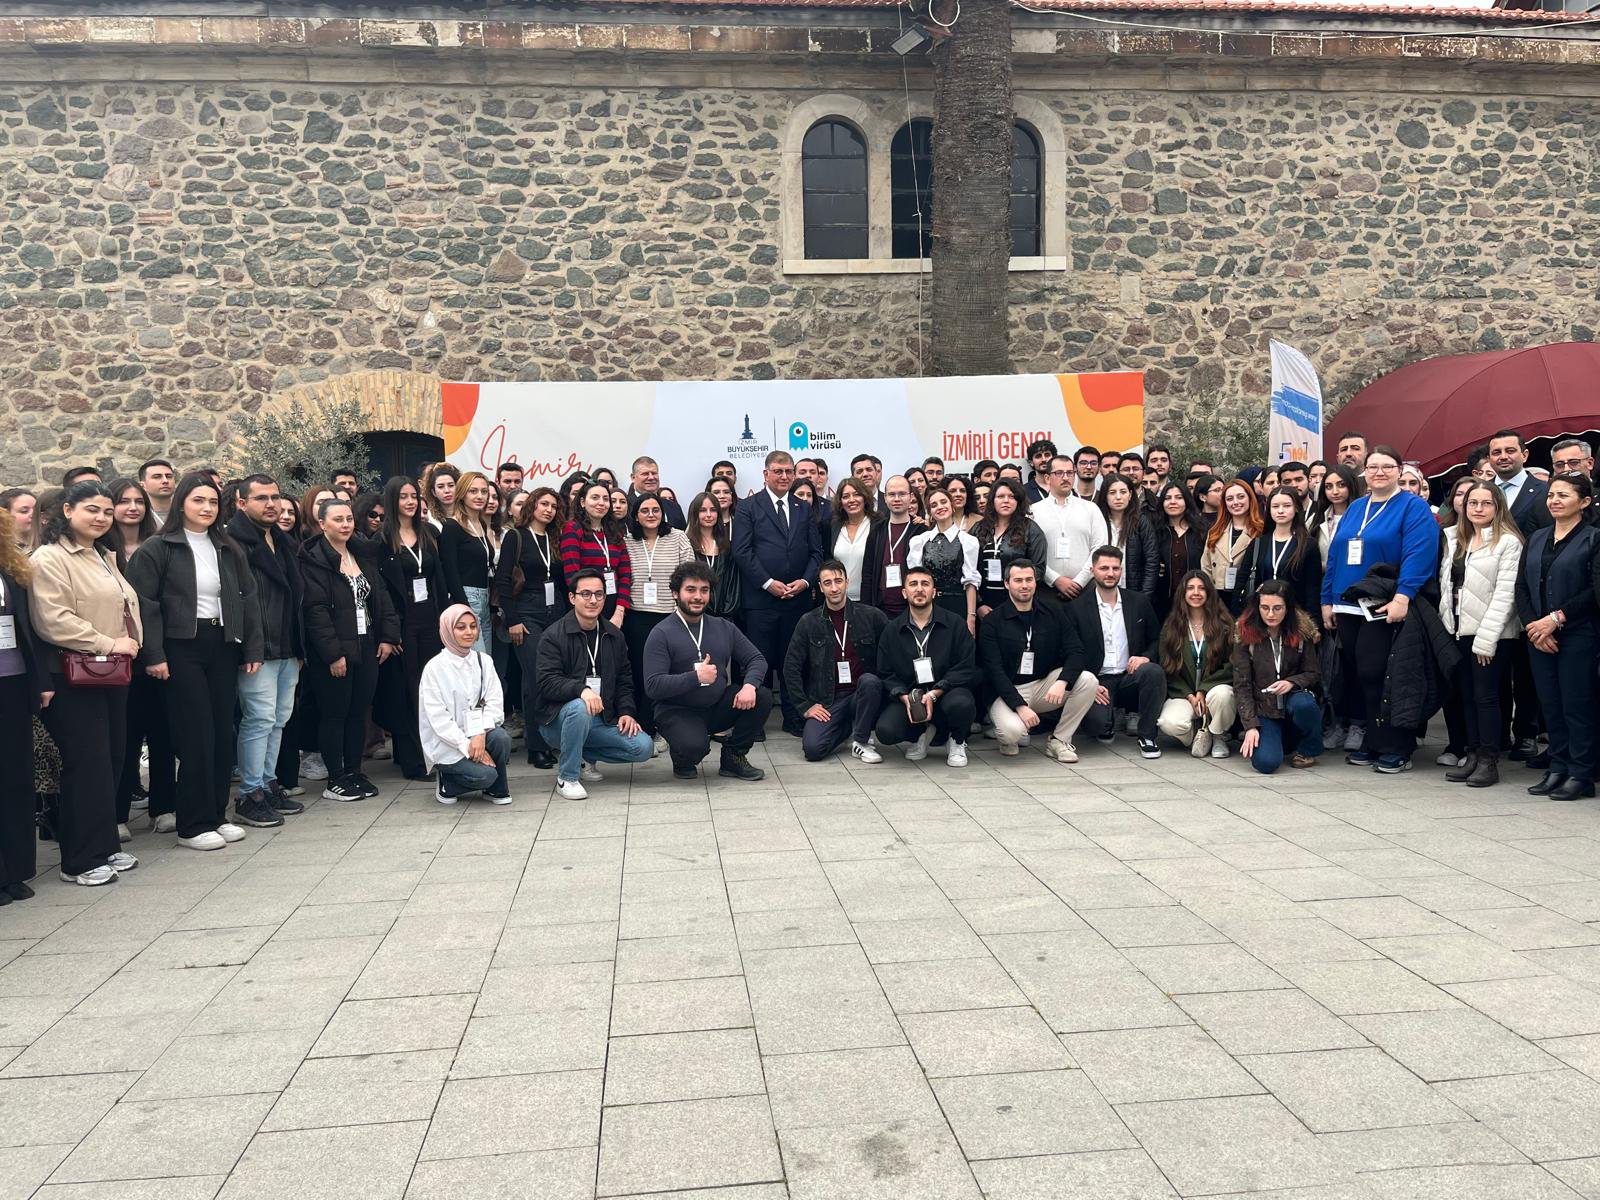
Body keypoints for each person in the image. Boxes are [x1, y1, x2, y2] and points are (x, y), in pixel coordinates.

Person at [126, 472, 266, 846]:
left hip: (222, 644)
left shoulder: (227, 546)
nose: (207, 508)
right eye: (198, 500)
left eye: (213, 501)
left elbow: (248, 598)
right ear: (182, 503)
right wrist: (154, 654)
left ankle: (217, 814)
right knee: (196, 734)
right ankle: (192, 824)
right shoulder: (158, 548)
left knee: (221, 732)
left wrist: (252, 648)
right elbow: (144, 606)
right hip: (179, 647)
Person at [29, 481, 143, 886]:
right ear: (67, 511)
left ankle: (104, 844)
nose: (101, 517)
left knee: (112, 759)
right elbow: (53, 619)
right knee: (85, 764)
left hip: (111, 671)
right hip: (73, 674)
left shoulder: (102, 554)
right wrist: (110, 643)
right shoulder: (49, 558)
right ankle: (79, 859)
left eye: (106, 511)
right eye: (91, 509)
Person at [1321, 445, 1440, 773]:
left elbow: (1419, 554)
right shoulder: (1356, 507)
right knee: (1361, 675)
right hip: (1348, 604)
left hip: (1384, 602)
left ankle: (1397, 745)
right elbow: (1336, 555)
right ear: (1365, 472)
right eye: (1373, 467)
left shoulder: (1413, 507)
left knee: (1380, 673)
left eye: (1387, 466)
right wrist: (1327, 600)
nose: (1379, 472)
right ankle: (1373, 741)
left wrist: (1403, 596)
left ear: (1399, 471)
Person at [300, 496, 401, 802]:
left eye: (348, 519)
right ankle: (336, 778)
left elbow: (381, 597)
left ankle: (354, 771)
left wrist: (388, 636)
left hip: (366, 644)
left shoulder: (361, 553)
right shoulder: (313, 559)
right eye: (337, 520)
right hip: (335, 651)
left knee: (358, 712)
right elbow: (316, 612)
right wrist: (333, 654)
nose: (345, 525)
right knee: (335, 714)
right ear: (322, 523)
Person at [644, 561, 772, 780]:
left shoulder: (723, 626)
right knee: (694, 748)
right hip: (677, 710)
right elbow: (653, 686)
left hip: (716, 705)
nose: (698, 596)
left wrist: (750, 685)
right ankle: (682, 756)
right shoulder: (661, 633)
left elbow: (756, 659)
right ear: (675, 593)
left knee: (762, 696)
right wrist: (695, 677)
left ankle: (734, 756)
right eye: (690, 590)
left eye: (704, 590)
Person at [227, 474, 308, 819]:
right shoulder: (233, 543)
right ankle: (250, 794)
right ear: (241, 503)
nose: (272, 504)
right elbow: (239, 602)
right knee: (259, 719)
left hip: (288, 646)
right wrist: (250, 649)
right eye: (262, 498)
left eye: (275, 497)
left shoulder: (283, 540)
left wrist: (300, 648)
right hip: (258, 650)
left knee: (278, 720)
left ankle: (267, 783)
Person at [534, 568, 654, 799]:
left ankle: (584, 755)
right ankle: (567, 777)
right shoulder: (553, 636)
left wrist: (626, 712)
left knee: (643, 747)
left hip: (601, 719)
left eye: (599, 594)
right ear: (572, 598)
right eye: (586, 594)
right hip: (558, 720)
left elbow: (624, 680)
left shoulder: (614, 635)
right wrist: (581, 690)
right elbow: (547, 682)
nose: (593, 600)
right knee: (580, 707)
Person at [1517, 475, 1598, 801]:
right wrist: (1533, 626)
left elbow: (1594, 591)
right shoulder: (1537, 537)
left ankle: (1581, 773)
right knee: (1551, 705)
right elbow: (1521, 587)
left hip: (1578, 634)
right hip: (1539, 636)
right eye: (1551, 495)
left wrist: (1556, 618)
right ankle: (1558, 767)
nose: (1554, 501)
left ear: (1584, 502)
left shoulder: (1593, 539)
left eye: (1563, 495)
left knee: (1576, 705)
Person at [1439, 481, 1524, 788]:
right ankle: (1473, 754)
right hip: (1457, 630)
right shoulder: (1455, 539)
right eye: (1472, 503)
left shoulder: (1508, 542)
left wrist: (1486, 639)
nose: (1478, 508)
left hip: (1492, 634)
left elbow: (1505, 596)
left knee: (1485, 696)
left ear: (1498, 507)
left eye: (1486, 503)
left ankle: (1489, 759)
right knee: (1466, 696)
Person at [731, 450, 820, 737]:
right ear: (765, 474)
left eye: (788, 471)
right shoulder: (748, 506)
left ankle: (793, 717)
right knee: (760, 660)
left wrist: (805, 582)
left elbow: (816, 553)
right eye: (778, 471)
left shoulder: (803, 507)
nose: (784, 476)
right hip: (761, 600)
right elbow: (741, 551)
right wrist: (768, 583)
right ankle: (755, 721)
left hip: (797, 599)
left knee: (793, 661)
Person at [105, 477, 172, 837]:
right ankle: (117, 814)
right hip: (118, 656)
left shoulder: (160, 545)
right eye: (124, 501)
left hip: (159, 653)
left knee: (163, 733)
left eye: (138, 501)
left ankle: (163, 807)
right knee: (124, 737)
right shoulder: (100, 550)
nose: (132, 507)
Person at [979, 559, 1096, 762]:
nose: (1024, 585)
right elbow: (994, 671)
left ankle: (1059, 740)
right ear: (1007, 584)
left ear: (1036, 582)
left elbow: (1076, 650)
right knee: (1013, 733)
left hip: (1043, 685)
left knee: (1088, 680)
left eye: (1029, 580)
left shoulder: (1053, 612)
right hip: (1007, 691)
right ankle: (1008, 736)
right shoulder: (993, 621)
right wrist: (1020, 706)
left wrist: (1063, 681)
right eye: (1018, 580)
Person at [373, 475, 446, 779]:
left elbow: (438, 579)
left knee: (429, 689)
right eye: (403, 496)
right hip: (401, 624)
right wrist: (389, 631)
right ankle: (411, 759)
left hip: (429, 620)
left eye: (414, 496)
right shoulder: (381, 539)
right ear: (392, 500)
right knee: (406, 690)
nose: (410, 502)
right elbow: (379, 590)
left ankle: (429, 753)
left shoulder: (427, 533)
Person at [1065, 546, 1165, 758]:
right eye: (1104, 568)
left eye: (1115, 568)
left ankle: (1147, 736)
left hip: (1130, 676)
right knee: (1096, 726)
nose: (1110, 573)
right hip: (1099, 681)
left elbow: (1156, 639)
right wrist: (1087, 682)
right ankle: (1107, 721)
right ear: (1092, 570)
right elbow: (1071, 651)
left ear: (1121, 570)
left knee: (1154, 672)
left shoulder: (1139, 602)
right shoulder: (1077, 608)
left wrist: (1146, 657)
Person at [784, 559, 887, 763]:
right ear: (821, 588)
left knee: (870, 681)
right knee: (813, 750)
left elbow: (892, 653)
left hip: (862, 694)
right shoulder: (808, 622)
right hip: (828, 699)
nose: (834, 588)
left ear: (847, 582)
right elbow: (791, 667)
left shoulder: (872, 616)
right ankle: (846, 727)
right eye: (828, 583)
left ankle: (861, 742)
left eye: (838, 581)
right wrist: (805, 706)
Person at [874, 565, 979, 766]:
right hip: (912, 696)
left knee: (962, 704)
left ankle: (956, 740)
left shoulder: (955, 623)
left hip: (947, 693)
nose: (919, 589)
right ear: (904, 592)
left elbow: (966, 666)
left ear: (934, 591)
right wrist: (904, 697)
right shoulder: (892, 630)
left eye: (925, 584)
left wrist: (935, 693)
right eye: (913, 584)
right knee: (887, 731)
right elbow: (885, 672)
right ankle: (923, 732)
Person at [493, 485, 566, 769]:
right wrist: (513, 620)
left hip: (556, 611)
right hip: (527, 611)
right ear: (532, 506)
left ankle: (554, 737)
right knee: (535, 676)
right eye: (544, 504)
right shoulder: (516, 536)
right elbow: (503, 580)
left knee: (555, 675)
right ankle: (537, 746)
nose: (549, 510)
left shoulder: (555, 538)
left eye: (554, 506)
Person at [0, 509, 52, 904]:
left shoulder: (12, 570)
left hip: (14, 681)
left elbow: (30, 632)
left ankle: (16, 869)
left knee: (16, 776)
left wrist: (41, 682)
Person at [418, 604, 512, 805]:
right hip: (448, 743)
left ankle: (495, 789)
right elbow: (439, 720)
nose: (469, 632)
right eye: (461, 627)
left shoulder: (483, 661)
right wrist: (467, 745)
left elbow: (494, 702)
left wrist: (480, 734)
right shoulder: (434, 668)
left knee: (501, 738)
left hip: (477, 733)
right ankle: (448, 782)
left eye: (473, 626)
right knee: (486, 775)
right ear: (447, 630)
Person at [623, 491, 695, 745]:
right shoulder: (627, 540)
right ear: (636, 515)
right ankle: (644, 728)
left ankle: (667, 726)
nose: (651, 515)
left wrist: (682, 608)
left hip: (670, 616)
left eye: (656, 510)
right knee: (642, 673)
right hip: (637, 617)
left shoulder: (677, 537)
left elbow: (689, 574)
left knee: (669, 674)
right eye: (644, 510)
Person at [1234, 580, 1323, 773]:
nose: (1270, 614)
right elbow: (1242, 685)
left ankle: (1308, 749)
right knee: (1266, 763)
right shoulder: (1245, 634)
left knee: (1305, 705)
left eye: (1277, 608)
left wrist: (1291, 682)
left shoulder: (1301, 632)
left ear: (1287, 608)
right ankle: (1280, 741)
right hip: (1265, 707)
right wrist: (1250, 726)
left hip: (1293, 699)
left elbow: (1313, 673)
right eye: (1265, 608)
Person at [1157, 571, 1238, 758]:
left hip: (1214, 693)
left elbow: (1232, 664)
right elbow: (1167, 667)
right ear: (1183, 593)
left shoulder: (1225, 624)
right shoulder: (1172, 627)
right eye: (1190, 588)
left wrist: (1203, 690)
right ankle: (1199, 735)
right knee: (1169, 723)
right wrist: (1190, 695)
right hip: (1185, 694)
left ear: (1209, 592)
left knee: (1224, 695)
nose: (1196, 593)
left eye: (1201, 588)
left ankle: (1218, 734)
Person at [1032, 454, 1111, 604]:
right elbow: (1031, 552)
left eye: (1070, 473)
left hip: (1085, 588)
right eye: (1059, 473)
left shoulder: (1090, 509)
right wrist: (1055, 579)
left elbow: (1099, 547)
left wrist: (1079, 581)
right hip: (1045, 589)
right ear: (1047, 478)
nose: (1065, 477)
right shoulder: (1033, 511)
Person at [437, 471, 498, 654]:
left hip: (485, 597)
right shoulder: (452, 526)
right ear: (462, 493)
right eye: (473, 491)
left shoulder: (482, 524)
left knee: (486, 660)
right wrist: (465, 607)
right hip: (467, 597)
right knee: (475, 657)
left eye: (484, 491)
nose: (480, 496)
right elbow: (450, 571)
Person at [907, 486, 981, 636]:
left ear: (952, 506)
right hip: (928, 606)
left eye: (943, 502)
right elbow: (915, 580)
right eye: (934, 505)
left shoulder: (968, 541)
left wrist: (971, 618)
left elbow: (971, 582)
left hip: (958, 606)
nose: (940, 507)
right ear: (930, 512)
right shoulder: (919, 541)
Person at [974, 479, 1049, 619]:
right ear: (992, 500)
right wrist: (978, 604)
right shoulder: (978, 528)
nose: (1006, 501)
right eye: (1000, 496)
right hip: (984, 605)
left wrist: (1020, 598)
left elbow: (1038, 569)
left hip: (1018, 604)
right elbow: (968, 569)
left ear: (1018, 501)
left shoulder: (1031, 529)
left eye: (1011, 496)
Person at [561, 479, 632, 627]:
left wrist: (619, 612)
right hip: (586, 605)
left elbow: (625, 575)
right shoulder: (573, 529)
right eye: (595, 498)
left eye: (605, 499)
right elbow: (572, 575)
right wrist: (589, 606)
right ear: (582, 502)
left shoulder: (615, 533)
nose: (601, 503)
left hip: (614, 606)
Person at [1245, 487, 1323, 616]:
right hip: (1262, 613)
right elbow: (1242, 580)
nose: (1280, 511)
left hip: (1295, 614)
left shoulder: (1308, 545)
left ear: (1296, 508)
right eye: (1275, 506)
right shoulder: (1259, 543)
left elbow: (1312, 588)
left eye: (1287, 506)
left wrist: (1313, 621)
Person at [1200, 480, 1263, 617]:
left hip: (1247, 598)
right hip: (1218, 598)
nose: (1235, 502)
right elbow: (1206, 567)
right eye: (1229, 499)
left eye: (1241, 497)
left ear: (1250, 498)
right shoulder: (1215, 531)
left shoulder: (1261, 531)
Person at [860, 474, 918, 618]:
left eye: (902, 494)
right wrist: (866, 610)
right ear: (885, 498)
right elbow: (867, 574)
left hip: (913, 610)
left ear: (911, 497)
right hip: (880, 610)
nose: (897, 499)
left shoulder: (921, 531)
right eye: (892, 494)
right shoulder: (877, 530)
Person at [1149, 481, 1205, 626]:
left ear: (1187, 501)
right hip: (1163, 601)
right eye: (1168, 498)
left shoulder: (1201, 530)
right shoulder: (1155, 531)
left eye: (1179, 497)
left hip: (1196, 598)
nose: (1173, 502)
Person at [1098, 473, 1157, 600]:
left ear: (1130, 495)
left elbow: (1151, 562)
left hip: (1133, 591)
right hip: (1101, 591)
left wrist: (1144, 597)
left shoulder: (1141, 522)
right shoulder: (1097, 521)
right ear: (1105, 496)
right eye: (1112, 492)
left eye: (1123, 492)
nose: (1118, 497)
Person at [686, 490, 741, 621]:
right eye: (703, 510)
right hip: (694, 615)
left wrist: (726, 614)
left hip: (725, 618)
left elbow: (733, 584)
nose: (709, 515)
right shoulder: (686, 545)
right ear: (695, 513)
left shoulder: (727, 546)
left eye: (713, 510)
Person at [829, 478, 876, 601]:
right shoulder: (833, 526)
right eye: (845, 496)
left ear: (865, 497)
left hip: (869, 599)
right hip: (839, 599)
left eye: (856, 494)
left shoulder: (878, 524)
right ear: (840, 502)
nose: (851, 500)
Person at [627, 455, 687, 530]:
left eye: (654, 473)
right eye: (645, 474)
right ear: (633, 477)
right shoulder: (625, 507)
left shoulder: (673, 507)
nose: (651, 477)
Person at [421, 463, 459, 529]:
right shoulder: (429, 518)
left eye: (451, 485)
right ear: (433, 492)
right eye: (440, 487)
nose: (447, 490)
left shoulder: (468, 515)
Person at [1024, 438, 1057, 503]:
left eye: (1047, 455)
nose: (1043, 459)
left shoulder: (1063, 486)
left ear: (1054, 458)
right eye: (1038, 456)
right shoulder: (1023, 491)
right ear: (1031, 462)